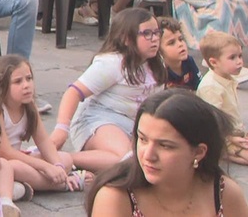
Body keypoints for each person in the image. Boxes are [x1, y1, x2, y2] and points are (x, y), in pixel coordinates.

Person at [86, 89, 248, 216]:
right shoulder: (116, 197)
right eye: (143, 139)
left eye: (165, 145)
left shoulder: (223, 193)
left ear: (198, 152)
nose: (148, 155)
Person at [50, 9, 166, 173]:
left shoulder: (156, 62)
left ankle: (93, 166)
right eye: (146, 33)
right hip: (98, 119)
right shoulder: (113, 63)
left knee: (150, 157)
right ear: (126, 39)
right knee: (127, 160)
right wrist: (61, 129)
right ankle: (60, 158)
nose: (154, 39)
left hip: (133, 123)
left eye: (157, 32)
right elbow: (73, 92)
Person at [0, 55, 84, 195]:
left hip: (19, 157)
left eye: (29, 78)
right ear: (1, 86)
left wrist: (57, 165)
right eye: (18, 81)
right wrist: (46, 167)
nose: (26, 85)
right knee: (14, 167)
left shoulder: (29, 106)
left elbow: (43, 141)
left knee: (66, 159)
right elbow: (5, 152)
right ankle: (60, 184)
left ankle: (34, 183)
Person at [196, 32, 248, 165]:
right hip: (221, 135)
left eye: (240, 56)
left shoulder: (227, 76)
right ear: (214, 62)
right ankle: (223, 152)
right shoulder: (211, 87)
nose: (239, 61)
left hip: (234, 130)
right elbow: (212, 121)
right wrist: (230, 138)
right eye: (232, 58)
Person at [158, 17, 200, 90]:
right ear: (158, 50)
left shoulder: (189, 61)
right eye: (171, 43)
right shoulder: (159, 72)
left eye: (181, 39)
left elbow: (198, 88)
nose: (180, 44)